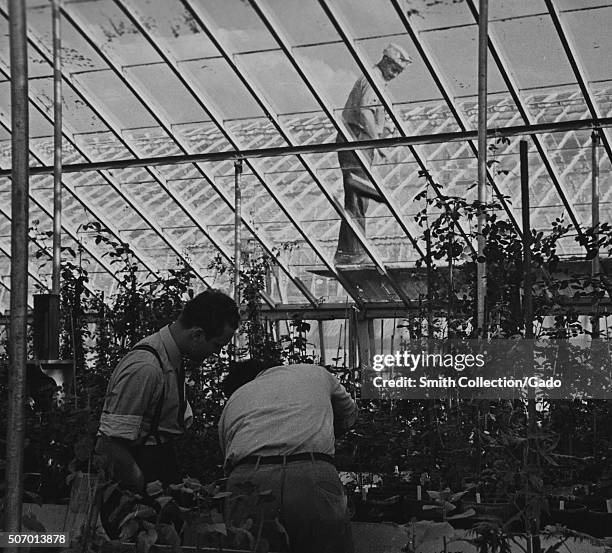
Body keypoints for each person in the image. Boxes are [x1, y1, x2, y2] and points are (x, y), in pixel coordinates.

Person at [96, 290, 239, 492]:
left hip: (158, 464)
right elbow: (109, 445)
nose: (216, 353)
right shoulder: (146, 367)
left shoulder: (171, 358)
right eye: (216, 345)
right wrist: (141, 487)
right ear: (197, 334)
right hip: (140, 474)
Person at [220, 360, 358, 553]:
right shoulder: (315, 373)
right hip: (311, 474)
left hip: (249, 478)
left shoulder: (235, 399)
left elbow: (228, 458)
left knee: (250, 545)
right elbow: (349, 412)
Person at [335, 43, 412, 265]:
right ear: (386, 61)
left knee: (358, 196)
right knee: (358, 195)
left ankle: (348, 251)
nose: (396, 74)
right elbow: (364, 112)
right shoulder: (373, 79)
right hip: (355, 138)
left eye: (399, 71)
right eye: (394, 69)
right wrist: (378, 142)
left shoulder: (378, 82)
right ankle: (353, 252)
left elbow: (374, 113)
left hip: (359, 140)